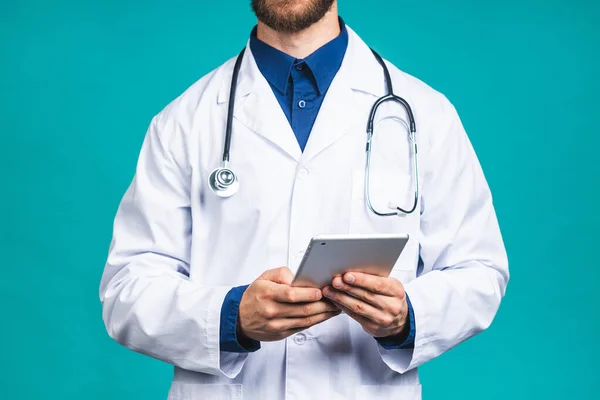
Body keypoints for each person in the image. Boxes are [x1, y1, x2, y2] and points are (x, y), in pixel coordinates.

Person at [99, 1, 509, 399]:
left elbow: (479, 269)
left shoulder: (426, 114)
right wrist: (232, 317)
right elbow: (127, 289)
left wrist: (407, 316)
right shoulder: (183, 122)